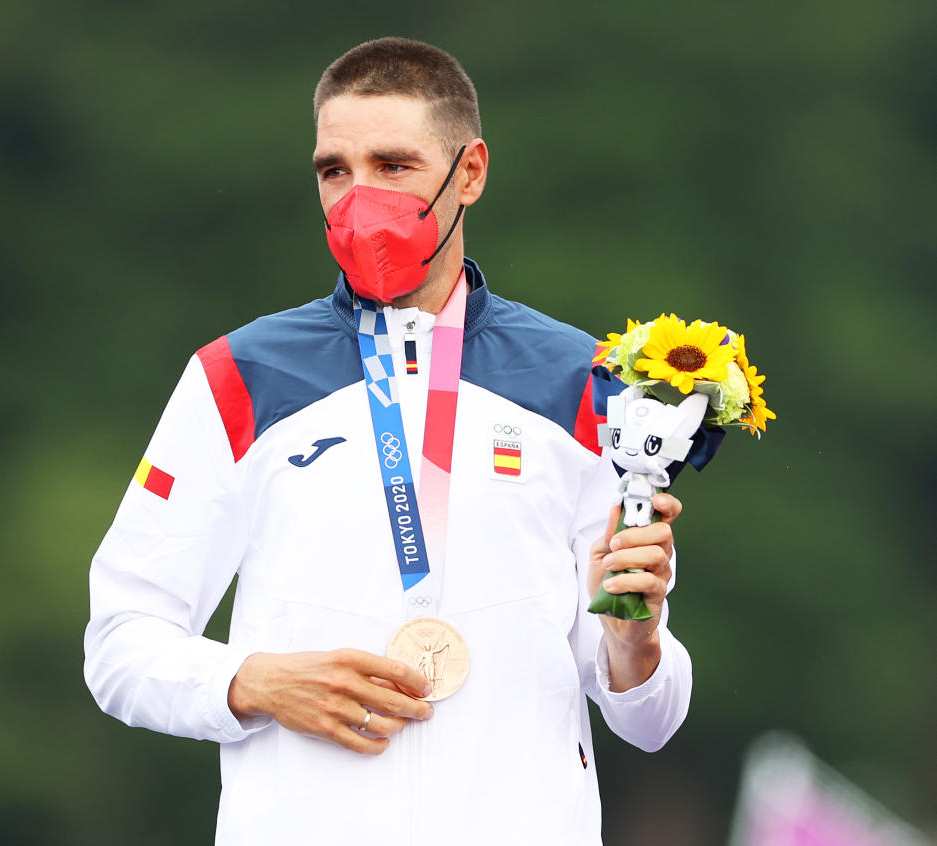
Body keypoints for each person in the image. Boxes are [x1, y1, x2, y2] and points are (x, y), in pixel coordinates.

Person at [84, 36, 692, 845]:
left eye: (393, 165)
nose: (358, 197)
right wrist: (250, 680)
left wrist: (635, 637)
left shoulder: (586, 382)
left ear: (469, 172)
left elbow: (649, 719)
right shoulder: (239, 375)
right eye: (335, 170)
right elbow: (120, 642)